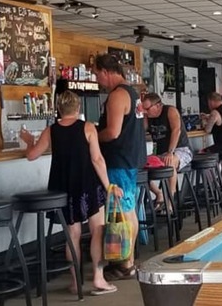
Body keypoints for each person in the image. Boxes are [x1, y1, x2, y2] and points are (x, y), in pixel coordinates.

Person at [21, 91, 121, 296]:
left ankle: (76, 282)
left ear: (59, 109)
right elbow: (97, 160)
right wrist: (109, 186)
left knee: (72, 236)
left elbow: (31, 155)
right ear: (78, 109)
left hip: (63, 187)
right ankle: (99, 279)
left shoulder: (51, 131)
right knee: (98, 230)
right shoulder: (88, 128)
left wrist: (29, 140)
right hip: (88, 185)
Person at [93, 54, 146, 280]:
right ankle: (129, 261)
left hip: (118, 160)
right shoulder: (133, 93)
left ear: (106, 71)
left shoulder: (117, 96)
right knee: (129, 210)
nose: (97, 80)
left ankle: (126, 264)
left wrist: (93, 136)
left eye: (96, 74)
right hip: (131, 158)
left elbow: (113, 132)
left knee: (124, 211)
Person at [141, 92, 193, 212]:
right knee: (140, 166)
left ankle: (170, 200)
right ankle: (159, 193)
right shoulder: (148, 117)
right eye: (144, 109)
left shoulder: (170, 111)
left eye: (148, 108)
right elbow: (142, 129)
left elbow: (176, 131)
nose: (146, 111)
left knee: (170, 162)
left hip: (181, 149)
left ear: (158, 105)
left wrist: (170, 152)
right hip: (161, 153)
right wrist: (142, 114)